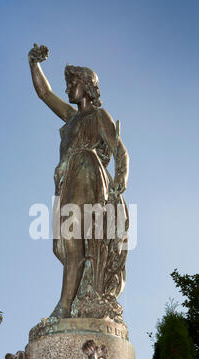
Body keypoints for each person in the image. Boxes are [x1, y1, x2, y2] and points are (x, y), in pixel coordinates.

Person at [28, 44, 129, 320]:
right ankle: (68, 304)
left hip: (88, 175)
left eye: (72, 83)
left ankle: (65, 305)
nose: (68, 89)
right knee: (70, 245)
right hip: (68, 180)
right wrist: (33, 64)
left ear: (87, 86)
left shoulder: (99, 116)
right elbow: (44, 93)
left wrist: (120, 182)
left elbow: (120, 152)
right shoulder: (72, 118)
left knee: (76, 242)